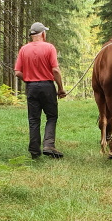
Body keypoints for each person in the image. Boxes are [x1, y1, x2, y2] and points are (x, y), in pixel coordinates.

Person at [14, 22, 66, 159]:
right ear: (43, 34)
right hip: (47, 86)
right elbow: (55, 70)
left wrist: (29, 79)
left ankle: (34, 150)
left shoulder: (24, 49)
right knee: (51, 116)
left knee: (33, 119)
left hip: (31, 87)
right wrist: (60, 88)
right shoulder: (49, 47)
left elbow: (17, 72)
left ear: (32, 35)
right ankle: (49, 145)